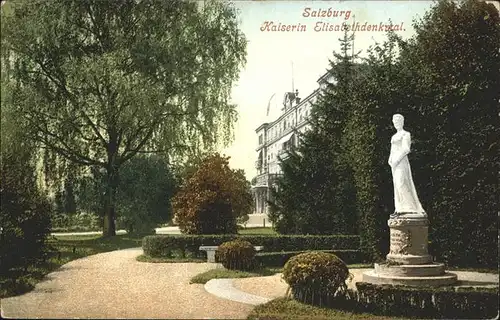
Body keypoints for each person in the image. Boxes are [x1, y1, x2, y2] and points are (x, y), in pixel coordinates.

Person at [388, 114, 425, 217]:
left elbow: (406, 149)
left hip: (401, 162)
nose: (397, 124)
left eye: (398, 122)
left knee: (402, 182)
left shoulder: (406, 134)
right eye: (395, 122)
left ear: (402, 122)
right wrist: (390, 160)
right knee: (396, 185)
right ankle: (399, 208)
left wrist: (397, 159)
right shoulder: (394, 136)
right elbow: (392, 150)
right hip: (394, 164)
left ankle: (410, 208)